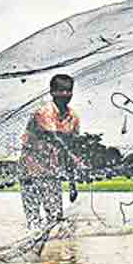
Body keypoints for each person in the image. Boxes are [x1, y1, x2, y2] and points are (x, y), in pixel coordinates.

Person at [18, 74, 85, 230]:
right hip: (30, 171)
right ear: (52, 92)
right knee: (34, 220)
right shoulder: (44, 112)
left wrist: (72, 184)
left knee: (55, 217)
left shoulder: (73, 117)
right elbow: (55, 137)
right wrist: (72, 156)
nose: (66, 95)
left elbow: (71, 148)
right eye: (61, 91)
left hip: (51, 172)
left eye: (69, 91)